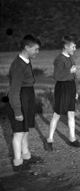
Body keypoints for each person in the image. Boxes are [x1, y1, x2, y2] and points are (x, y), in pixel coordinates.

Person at [7, 35, 43, 172]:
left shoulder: (26, 61)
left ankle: (26, 156)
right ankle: (18, 163)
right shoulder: (18, 66)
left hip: (27, 97)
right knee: (18, 133)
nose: (38, 52)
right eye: (36, 49)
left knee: (25, 130)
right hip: (19, 99)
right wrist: (17, 110)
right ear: (27, 48)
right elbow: (13, 91)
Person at [46, 35, 80, 151]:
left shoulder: (71, 58)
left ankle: (72, 138)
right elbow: (57, 76)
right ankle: (49, 140)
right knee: (57, 114)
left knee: (71, 113)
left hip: (71, 87)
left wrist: (76, 90)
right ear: (66, 46)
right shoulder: (59, 59)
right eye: (73, 46)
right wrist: (69, 71)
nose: (75, 49)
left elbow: (74, 76)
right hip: (62, 88)